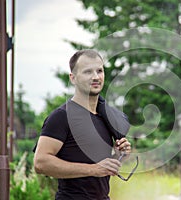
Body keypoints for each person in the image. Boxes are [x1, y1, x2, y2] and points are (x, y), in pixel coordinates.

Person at [33, 49, 132, 200]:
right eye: (87, 72)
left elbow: (100, 165)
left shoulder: (105, 118)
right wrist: (94, 169)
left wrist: (119, 154)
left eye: (99, 71)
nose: (96, 77)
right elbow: (40, 163)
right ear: (73, 78)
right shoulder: (61, 116)